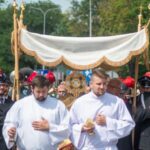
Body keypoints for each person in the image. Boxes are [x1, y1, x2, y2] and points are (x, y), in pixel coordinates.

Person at [69, 68, 135, 150]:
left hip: (108, 147)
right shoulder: (80, 103)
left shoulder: (117, 102)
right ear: (91, 84)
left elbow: (129, 125)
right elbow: (69, 126)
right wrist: (82, 128)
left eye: (104, 84)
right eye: (98, 84)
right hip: (88, 147)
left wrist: (108, 122)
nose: (102, 87)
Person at [3, 75, 70, 150]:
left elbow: (68, 128)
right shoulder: (20, 105)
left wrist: (50, 127)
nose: (41, 94)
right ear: (32, 89)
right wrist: (10, 131)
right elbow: (9, 123)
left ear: (48, 88)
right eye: (38, 91)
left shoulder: (58, 105)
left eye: (44, 91)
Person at [134, 72, 150, 150]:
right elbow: (136, 117)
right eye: (144, 86)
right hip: (144, 140)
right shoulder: (137, 99)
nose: (146, 89)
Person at [0, 70, 14, 150]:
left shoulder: (13, 104)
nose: (1, 87)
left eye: (4, 85)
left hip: (5, 144)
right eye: (0, 85)